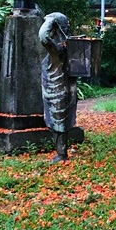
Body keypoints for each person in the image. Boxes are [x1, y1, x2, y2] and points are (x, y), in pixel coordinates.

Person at [39, 12, 77, 163]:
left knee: (58, 124)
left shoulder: (59, 49)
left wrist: (50, 20)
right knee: (57, 123)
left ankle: (61, 154)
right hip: (57, 90)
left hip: (57, 91)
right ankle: (61, 153)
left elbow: (43, 37)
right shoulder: (66, 46)